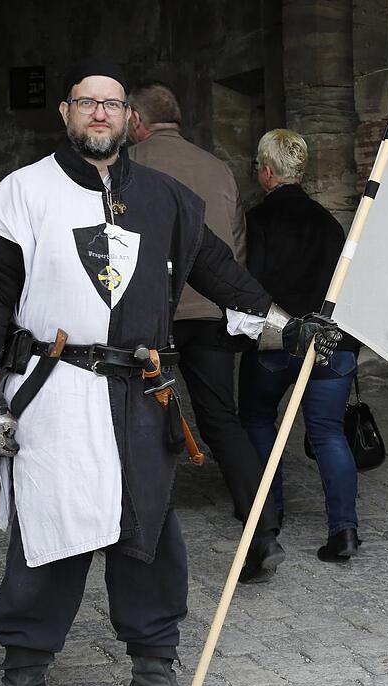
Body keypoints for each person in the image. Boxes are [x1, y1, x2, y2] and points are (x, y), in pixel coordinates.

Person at [0, 60, 340, 686]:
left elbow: (220, 274)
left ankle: (152, 669)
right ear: (65, 114)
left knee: (147, 532)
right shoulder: (25, 193)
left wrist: (287, 327)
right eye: (86, 102)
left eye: (112, 104)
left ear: (130, 119)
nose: (100, 113)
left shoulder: (163, 198)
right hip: (55, 391)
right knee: (51, 530)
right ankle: (26, 672)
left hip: (140, 391)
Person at [127, 80, 284, 584]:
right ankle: (262, 524)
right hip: (216, 310)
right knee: (222, 419)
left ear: (136, 119)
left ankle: (137, 528)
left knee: (137, 415)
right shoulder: (217, 167)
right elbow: (233, 244)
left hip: (157, 314)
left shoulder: (132, 166)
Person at [237, 129, 362, 563]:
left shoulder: (257, 221)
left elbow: (248, 282)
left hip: (277, 339)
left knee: (255, 418)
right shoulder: (331, 224)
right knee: (328, 433)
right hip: (332, 342)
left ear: (267, 172)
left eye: (257, 168)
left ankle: (270, 516)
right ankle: (344, 531)